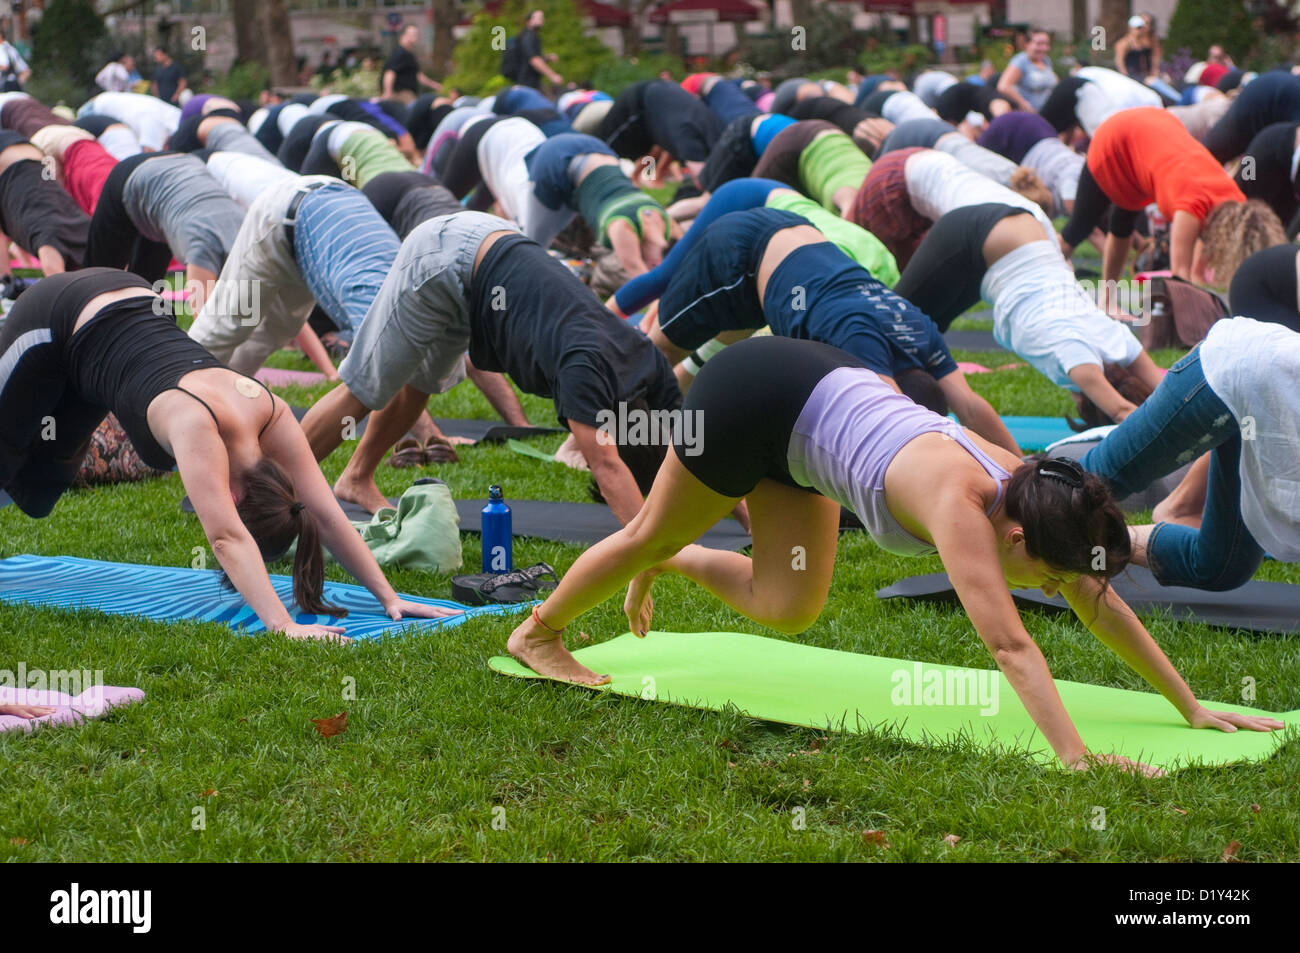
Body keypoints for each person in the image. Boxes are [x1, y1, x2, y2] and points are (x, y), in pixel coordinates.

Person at [502, 335, 1283, 775]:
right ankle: (539, 631)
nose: (1054, 587)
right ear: (1014, 539)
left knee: (789, 605)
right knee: (649, 528)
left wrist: (1190, 705)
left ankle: (671, 561)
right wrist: (1077, 759)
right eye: (1045, 575)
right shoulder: (961, 508)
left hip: (807, 419)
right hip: (747, 401)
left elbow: (1099, 598)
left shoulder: (1036, 499)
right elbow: (1011, 644)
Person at [0, 270, 459, 641]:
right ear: (239, 503)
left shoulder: (269, 410)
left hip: (112, 324)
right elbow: (225, 538)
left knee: (37, 495)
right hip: (57, 314)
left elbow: (325, 512)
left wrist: (389, 597)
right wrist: (284, 625)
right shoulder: (201, 424)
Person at [297, 212, 682, 522]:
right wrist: (649, 556)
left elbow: (695, 447)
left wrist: (744, 518)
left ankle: (356, 478)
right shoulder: (583, 370)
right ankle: (273, 485)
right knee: (363, 390)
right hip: (445, 256)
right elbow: (607, 466)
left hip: (487, 262)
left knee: (419, 386)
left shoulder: (648, 360)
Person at [643, 207, 1018, 452]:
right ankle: (597, 436)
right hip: (741, 252)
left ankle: (665, 410)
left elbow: (969, 406)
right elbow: (892, 423)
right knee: (652, 357)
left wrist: (1018, 473)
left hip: (788, 255)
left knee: (716, 350)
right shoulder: (862, 344)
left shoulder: (921, 331)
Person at [1082, 318, 1300, 591]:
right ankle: (1016, 516)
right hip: (1238, 368)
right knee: (1083, 485)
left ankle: (1095, 545)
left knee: (1221, 567)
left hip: (1266, 411)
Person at [894, 204, 1163, 425]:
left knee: (923, 333)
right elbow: (1122, 413)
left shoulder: (1120, 342)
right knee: (893, 328)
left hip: (1016, 238)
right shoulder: (1077, 359)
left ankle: (909, 412)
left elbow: (1169, 389)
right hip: (982, 238)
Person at [1059, 107, 1285, 289]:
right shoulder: (1190, 206)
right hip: (1119, 136)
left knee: (1123, 221)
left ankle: (1106, 302)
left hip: (1155, 131)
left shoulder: (1235, 202)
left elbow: (1197, 274)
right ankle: (1043, 280)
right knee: (1080, 225)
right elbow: (1181, 276)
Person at [611, 177, 900, 318]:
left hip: (783, 209)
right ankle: (593, 323)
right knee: (665, 277)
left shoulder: (882, 279)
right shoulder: (830, 270)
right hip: (753, 198)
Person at [850, 146, 1055, 269]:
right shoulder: (1006, 209)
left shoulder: (1009, 195)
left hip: (913, 165)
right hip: (893, 184)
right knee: (883, 263)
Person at [0, 131, 89, 275]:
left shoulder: (51, 240)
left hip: (27, 159)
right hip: (30, 154)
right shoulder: (71, 233)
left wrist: (5, 280)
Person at [998, 28, 1058, 112]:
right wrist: (1024, 104)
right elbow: (1003, 86)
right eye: (1039, 44)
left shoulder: (1046, 60)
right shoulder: (1021, 61)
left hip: (1048, 113)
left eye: (1047, 44)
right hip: (1031, 115)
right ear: (1027, 44)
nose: (1044, 48)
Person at [381, 24, 441, 104]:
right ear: (403, 36)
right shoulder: (400, 54)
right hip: (402, 94)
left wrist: (434, 85)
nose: (414, 38)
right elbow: (390, 73)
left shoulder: (408, 54)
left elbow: (417, 75)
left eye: (415, 35)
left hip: (409, 93)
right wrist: (388, 93)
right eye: (412, 35)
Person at [516, 10, 562, 92]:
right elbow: (534, 60)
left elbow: (532, 57)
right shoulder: (528, 37)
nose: (542, 20)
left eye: (542, 18)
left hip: (532, 82)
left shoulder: (533, 36)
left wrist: (548, 58)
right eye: (539, 18)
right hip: (526, 83)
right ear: (529, 21)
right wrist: (553, 76)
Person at [1113, 14, 1161, 84]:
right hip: (1132, 76)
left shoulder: (1145, 42)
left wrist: (1154, 71)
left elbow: (1154, 56)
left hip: (1144, 75)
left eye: (1141, 28)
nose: (1140, 30)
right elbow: (1119, 62)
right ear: (1131, 28)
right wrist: (1126, 78)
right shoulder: (1123, 43)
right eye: (1138, 28)